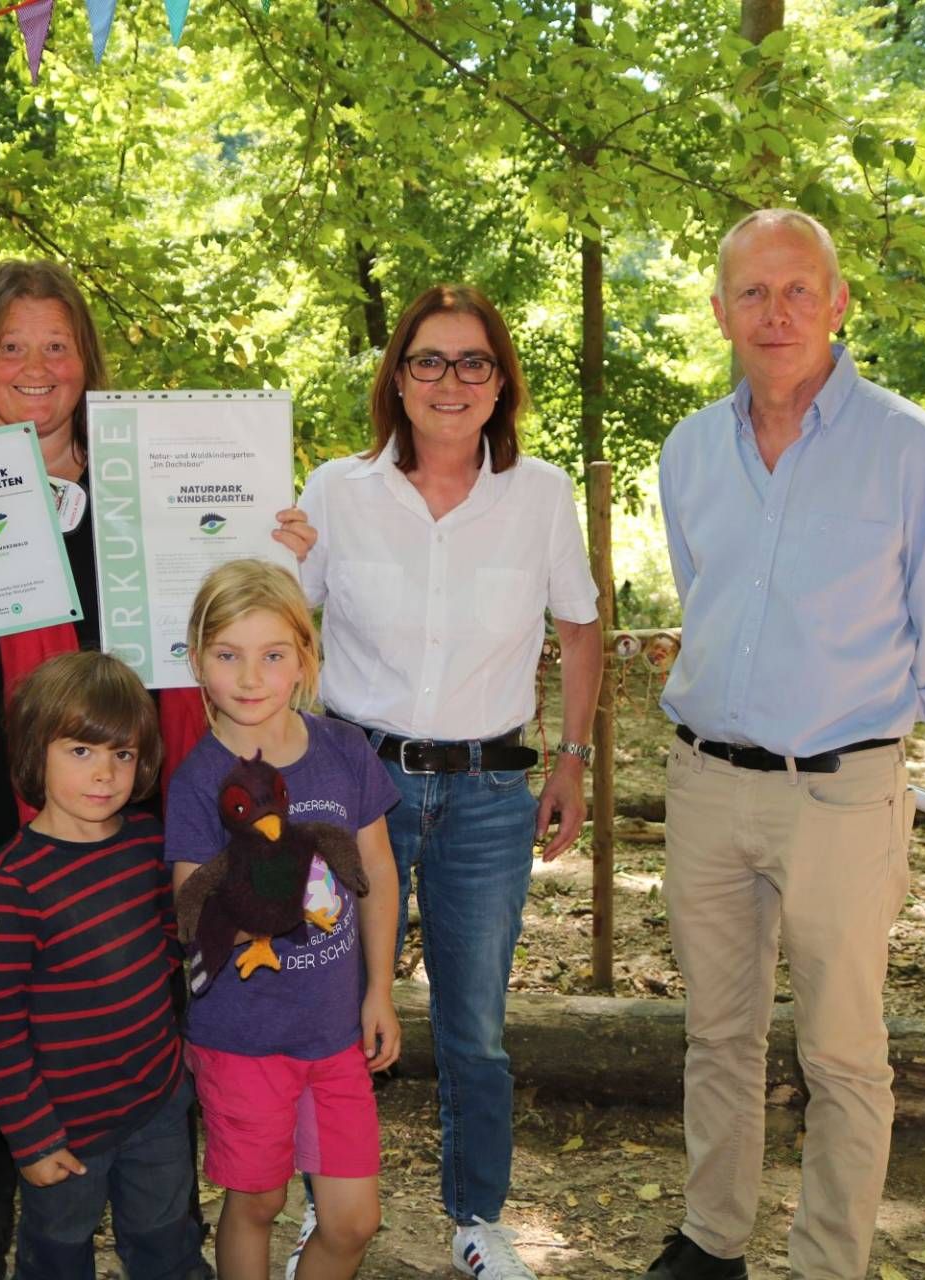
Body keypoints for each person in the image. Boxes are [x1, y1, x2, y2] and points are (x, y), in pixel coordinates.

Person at [0, 257, 310, 1275]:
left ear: (85, 357)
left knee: (133, 1014)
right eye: (10, 346)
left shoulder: (149, 472)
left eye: (55, 345)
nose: (34, 366)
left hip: (135, 817)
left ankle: (159, 1220)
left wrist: (281, 539)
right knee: (1, 1038)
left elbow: (240, 608)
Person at [641, 209, 925, 1280]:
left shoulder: (917, 453)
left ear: (839, 303)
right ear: (719, 313)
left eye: (800, 289)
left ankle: (828, 1262)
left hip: (842, 792)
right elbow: (707, 600)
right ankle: (711, 1240)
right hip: (705, 780)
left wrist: (859, 732)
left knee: (841, 1051)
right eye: (753, 291)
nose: (776, 311)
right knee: (718, 1033)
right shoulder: (691, 449)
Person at [295, 284, 602, 1280]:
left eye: (474, 361)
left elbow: (582, 626)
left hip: (486, 793)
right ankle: (327, 1208)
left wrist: (573, 758)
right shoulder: (337, 490)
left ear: (501, 381)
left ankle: (476, 1218)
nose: (451, 380)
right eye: (428, 359)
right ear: (397, 376)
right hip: (354, 785)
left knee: (474, 1019)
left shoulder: (541, 493)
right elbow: (271, 615)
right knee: (332, 1008)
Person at [166, 560, 401, 1280]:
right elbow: (190, 914)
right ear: (198, 660)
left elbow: (381, 873)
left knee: (354, 1220)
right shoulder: (198, 780)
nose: (249, 676)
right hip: (244, 1038)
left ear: (305, 657)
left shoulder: (343, 752)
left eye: (272, 655)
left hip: (332, 1033)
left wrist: (380, 991)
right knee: (259, 1202)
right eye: (227, 655)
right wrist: (274, 891)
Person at [0, 651, 204, 1279]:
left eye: (122, 755)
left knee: (168, 1247)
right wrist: (31, 1136)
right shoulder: (9, 883)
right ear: (33, 751)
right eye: (80, 751)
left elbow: (169, 953)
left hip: (156, 1102)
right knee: (56, 1256)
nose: (104, 774)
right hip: (63, 1129)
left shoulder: (148, 844)